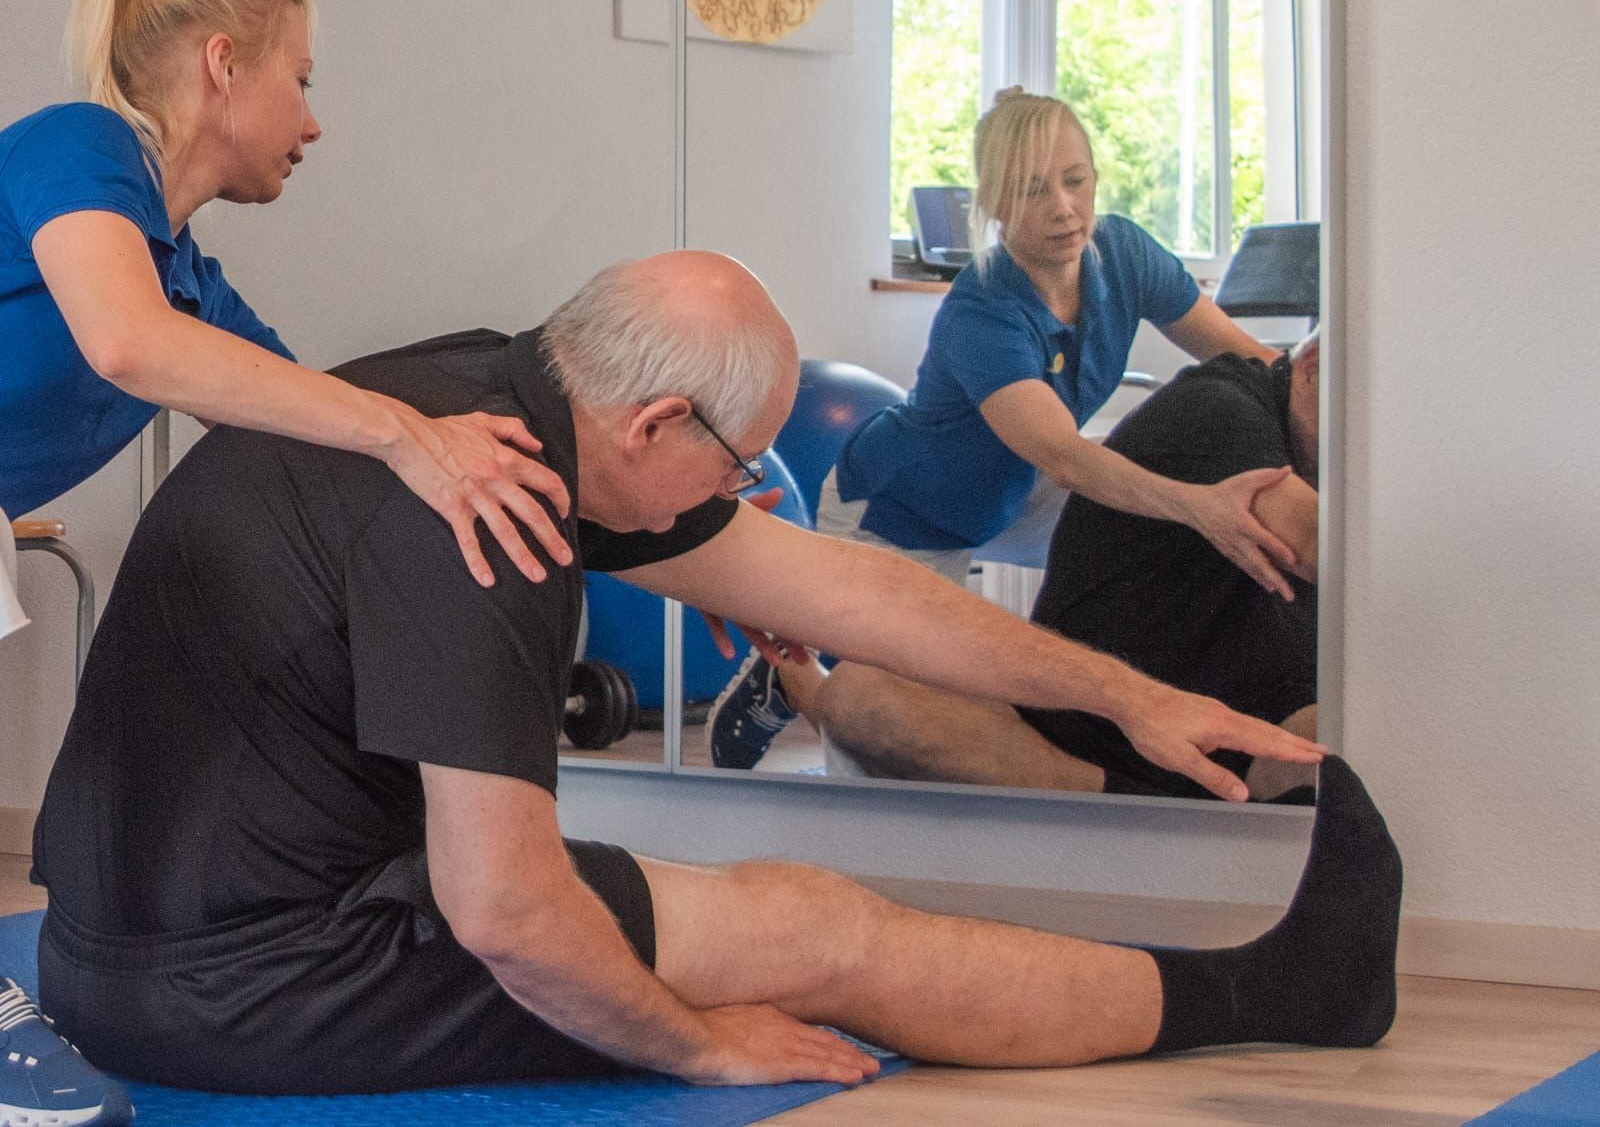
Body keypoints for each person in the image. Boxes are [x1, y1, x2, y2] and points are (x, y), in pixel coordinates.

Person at [31, 252, 1400, 1097]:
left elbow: (841, 586)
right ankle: (1286, 994)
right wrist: (692, 1043)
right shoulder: (490, 517)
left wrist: (1127, 696)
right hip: (250, 979)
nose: (743, 489)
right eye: (738, 459)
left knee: (739, 908)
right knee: (815, 931)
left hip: (125, 947)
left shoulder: (482, 396)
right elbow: (503, 907)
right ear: (655, 420)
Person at [0, 0, 570, 1125]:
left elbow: (313, 431)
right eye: (301, 79)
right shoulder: (79, 145)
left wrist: (631, 502)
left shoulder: (190, 281)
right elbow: (124, 341)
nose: (313, 122)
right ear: (222, 65)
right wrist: (401, 436)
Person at [709, 88, 1294, 768]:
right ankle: (786, 682)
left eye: (1075, 181)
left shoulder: (1124, 254)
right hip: (904, 509)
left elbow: (1246, 356)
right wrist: (1200, 505)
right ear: (992, 204)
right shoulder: (982, 309)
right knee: (897, 732)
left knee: (1155, 533)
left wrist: (1325, 395)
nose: (1064, 208)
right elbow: (1067, 456)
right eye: (1033, 190)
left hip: (1016, 493)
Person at [787, 332, 1322, 800]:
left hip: (1236, 727)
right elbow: (1314, 542)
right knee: (861, 696)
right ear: (1314, 368)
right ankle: (787, 669)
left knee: (1343, 748)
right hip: (1091, 735)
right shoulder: (1220, 406)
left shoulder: (1124, 271)